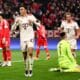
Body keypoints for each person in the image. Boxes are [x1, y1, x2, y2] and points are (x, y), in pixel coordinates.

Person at [11, 5, 40, 77]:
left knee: (30, 53)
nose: (20, 11)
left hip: (30, 37)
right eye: (20, 10)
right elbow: (12, 29)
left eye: (22, 9)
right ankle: (26, 69)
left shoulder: (31, 16)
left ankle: (30, 69)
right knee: (24, 55)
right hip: (23, 38)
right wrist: (15, 23)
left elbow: (39, 24)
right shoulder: (18, 18)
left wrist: (33, 22)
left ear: (25, 10)